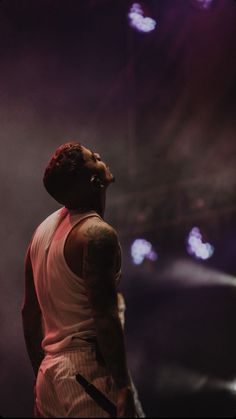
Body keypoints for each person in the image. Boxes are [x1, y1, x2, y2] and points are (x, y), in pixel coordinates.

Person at [21, 142, 137, 418]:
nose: (100, 155)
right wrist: (124, 387)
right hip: (87, 371)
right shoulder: (96, 234)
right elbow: (104, 316)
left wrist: (47, 376)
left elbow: (29, 313)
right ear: (95, 181)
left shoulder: (41, 232)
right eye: (93, 158)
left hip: (49, 373)